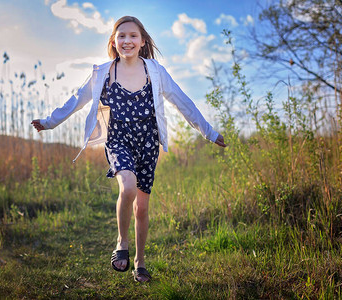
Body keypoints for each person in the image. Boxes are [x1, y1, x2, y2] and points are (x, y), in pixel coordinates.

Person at [31, 16, 227, 283]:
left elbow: (183, 101)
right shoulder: (103, 73)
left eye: (133, 36)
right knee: (128, 188)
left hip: (148, 142)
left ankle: (140, 261)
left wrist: (209, 132)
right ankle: (121, 241)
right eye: (121, 36)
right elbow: (76, 100)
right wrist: (49, 122)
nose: (127, 41)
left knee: (142, 209)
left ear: (142, 41)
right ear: (114, 41)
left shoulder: (155, 71)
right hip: (118, 139)